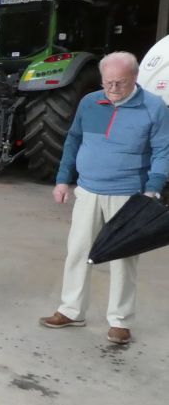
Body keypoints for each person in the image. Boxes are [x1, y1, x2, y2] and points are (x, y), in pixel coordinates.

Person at [39, 52, 169, 345]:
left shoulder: (154, 108)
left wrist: (153, 188)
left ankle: (120, 321)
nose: (112, 89)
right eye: (107, 82)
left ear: (135, 78)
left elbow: (163, 150)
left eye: (119, 83)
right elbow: (73, 140)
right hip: (88, 190)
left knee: (123, 257)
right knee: (78, 251)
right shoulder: (89, 102)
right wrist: (62, 180)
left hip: (128, 194)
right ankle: (71, 310)